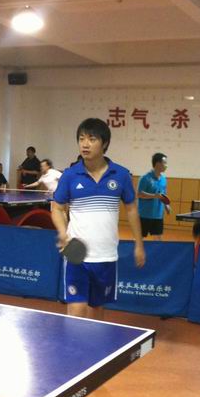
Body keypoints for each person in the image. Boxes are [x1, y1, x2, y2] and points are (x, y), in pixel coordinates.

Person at [51, 118, 146, 320]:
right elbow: (57, 208)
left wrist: (139, 244)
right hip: (77, 255)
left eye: (92, 139)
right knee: (76, 312)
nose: (85, 144)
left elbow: (131, 209)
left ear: (104, 143)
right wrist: (62, 232)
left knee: (96, 313)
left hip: (106, 255)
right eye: (81, 139)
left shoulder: (121, 175)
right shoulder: (70, 175)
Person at [138, 152, 169, 241]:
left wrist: (166, 205)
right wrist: (155, 196)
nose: (166, 165)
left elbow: (163, 195)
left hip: (158, 215)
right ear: (158, 164)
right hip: (145, 215)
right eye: (165, 163)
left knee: (158, 240)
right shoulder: (145, 178)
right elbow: (139, 194)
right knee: (140, 239)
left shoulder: (163, 179)